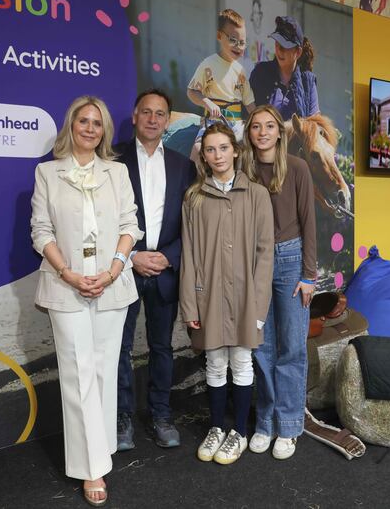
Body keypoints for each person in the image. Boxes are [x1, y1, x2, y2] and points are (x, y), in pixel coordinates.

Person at [30, 95, 143, 507]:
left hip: (112, 283)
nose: (91, 128)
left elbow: (130, 225)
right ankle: (90, 468)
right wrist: (69, 274)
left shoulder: (117, 172)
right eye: (84, 121)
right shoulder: (47, 173)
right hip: (66, 286)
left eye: (98, 123)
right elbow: (40, 231)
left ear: (105, 130)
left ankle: (101, 447)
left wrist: (112, 270)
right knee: (78, 375)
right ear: (71, 126)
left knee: (102, 371)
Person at [180, 122, 274, 465]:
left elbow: (266, 253)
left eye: (223, 147)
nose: (217, 155)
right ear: (202, 156)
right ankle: (217, 428)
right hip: (209, 296)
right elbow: (189, 253)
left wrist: (260, 305)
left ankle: (240, 433)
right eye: (210, 149)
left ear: (236, 150)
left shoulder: (257, 195)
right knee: (215, 362)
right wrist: (190, 301)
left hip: (248, 297)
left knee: (242, 361)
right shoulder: (194, 198)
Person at [116, 89, 196, 451]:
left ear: (167, 120)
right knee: (119, 348)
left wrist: (170, 256)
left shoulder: (183, 166)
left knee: (161, 347)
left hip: (165, 270)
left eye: (160, 113)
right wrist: (132, 256)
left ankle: (161, 414)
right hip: (123, 269)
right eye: (146, 112)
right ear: (134, 116)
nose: (152, 118)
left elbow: (192, 223)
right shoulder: (112, 160)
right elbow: (100, 220)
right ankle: (121, 417)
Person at [243, 104, 316, 460]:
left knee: (291, 347)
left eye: (269, 126)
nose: (263, 132)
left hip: (290, 260)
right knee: (261, 348)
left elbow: (309, 223)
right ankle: (265, 421)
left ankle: (288, 426)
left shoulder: (298, 168)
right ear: (249, 132)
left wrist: (308, 275)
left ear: (279, 132)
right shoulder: (243, 170)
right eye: (256, 126)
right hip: (255, 260)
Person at [187, 8, 256, 163]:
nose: (238, 46)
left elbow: (250, 104)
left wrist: (259, 120)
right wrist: (207, 103)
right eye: (233, 40)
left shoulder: (241, 72)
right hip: (213, 123)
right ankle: (191, 184)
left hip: (237, 126)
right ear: (219, 36)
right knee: (198, 150)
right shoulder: (208, 65)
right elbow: (192, 91)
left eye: (242, 42)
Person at [249, 16, 319, 121]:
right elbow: (246, 112)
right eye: (277, 44)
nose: (279, 50)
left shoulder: (308, 81)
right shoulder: (260, 72)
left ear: (298, 52)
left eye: (285, 46)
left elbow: (314, 122)